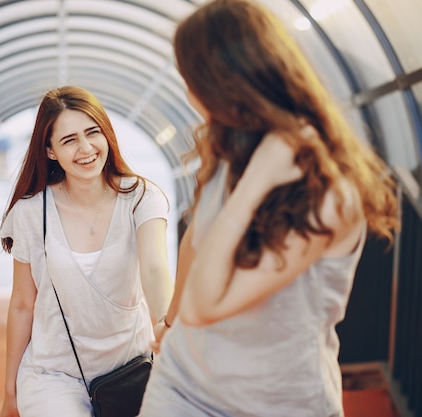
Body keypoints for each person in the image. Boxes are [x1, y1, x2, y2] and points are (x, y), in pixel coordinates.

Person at [140, 1, 399, 416]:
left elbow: (205, 305)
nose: (189, 93)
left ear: (225, 87)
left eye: (192, 80)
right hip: (183, 384)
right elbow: (194, 243)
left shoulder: (327, 192)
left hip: (278, 402)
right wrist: (168, 325)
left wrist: (255, 183)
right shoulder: (224, 145)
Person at [0, 85, 174, 417]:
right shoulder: (32, 212)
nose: (85, 148)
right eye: (69, 140)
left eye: (92, 132)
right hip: (53, 374)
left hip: (130, 370)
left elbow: (155, 268)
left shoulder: (141, 198)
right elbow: (22, 303)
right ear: (50, 151)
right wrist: (10, 392)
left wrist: (165, 323)